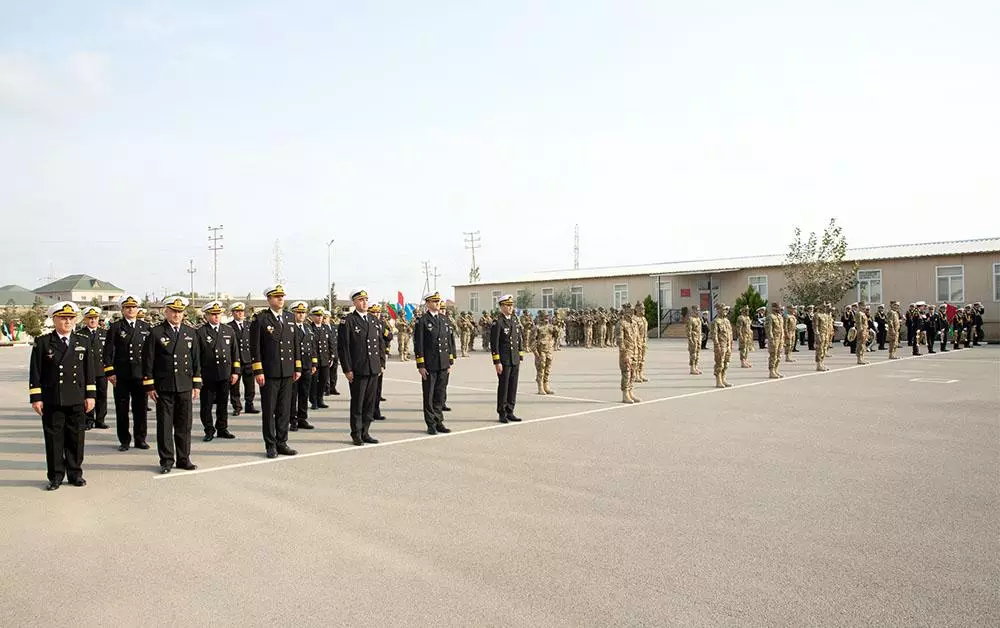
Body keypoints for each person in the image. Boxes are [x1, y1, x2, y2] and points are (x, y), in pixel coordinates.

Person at [29, 302, 96, 490]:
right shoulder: (43, 342)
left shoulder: (83, 341)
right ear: (54, 319)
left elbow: (89, 371)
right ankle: (56, 476)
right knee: (54, 439)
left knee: (76, 438)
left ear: (75, 320)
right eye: (63, 318)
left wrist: (90, 395)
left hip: (77, 397)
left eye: (70, 318)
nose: (67, 321)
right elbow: (35, 372)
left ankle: (75, 473)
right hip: (53, 398)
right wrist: (36, 398)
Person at [143, 296, 202, 474]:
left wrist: (196, 384)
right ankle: (166, 460)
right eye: (173, 311)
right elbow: (148, 361)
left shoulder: (190, 332)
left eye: (180, 311)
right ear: (166, 312)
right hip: (164, 386)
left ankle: (184, 458)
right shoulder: (156, 333)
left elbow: (196, 361)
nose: (177, 314)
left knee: (184, 425)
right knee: (165, 425)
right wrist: (149, 386)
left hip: (184, 385)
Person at [250, 284, 302, 458]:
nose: (280, 299)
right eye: (276, 296)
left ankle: (282, 442)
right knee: (270, 410)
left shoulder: (289, 317)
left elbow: (295, 345)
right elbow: (255, 348)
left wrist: (297, 367)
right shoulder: (261, 319)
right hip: (270, 373)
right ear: (269, 299)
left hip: (287, 372)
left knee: (284, 410)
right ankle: (270, 445)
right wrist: (258, 371)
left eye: (282, 296)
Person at [103, 294, 151, 452]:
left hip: (140, 375)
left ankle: (140, 439)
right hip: (121, 375)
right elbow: (108, 352)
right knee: (122, 409)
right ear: (122, 310)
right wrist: (110, 372)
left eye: (134, 307)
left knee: (141, 409)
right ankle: (124, 440)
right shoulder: (116, 327)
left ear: (138, 309)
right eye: (127, 307)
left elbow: (150, 353)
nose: (131, 310)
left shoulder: (145, 327)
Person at [338, 290, 385, 445]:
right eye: (361, 300)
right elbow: (343, 347)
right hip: (358, 369)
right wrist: (347, 369)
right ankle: (356, 433)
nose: (364, 302)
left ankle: (366, 431)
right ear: (354, 303)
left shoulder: (373, 320)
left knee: (370, 403)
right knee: (358, 403)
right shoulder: (348, 321)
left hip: (373, 368)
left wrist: (381, 364)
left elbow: (380, 343)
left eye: (366, 299)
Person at [196, 300, 239, 442]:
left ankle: (222, 428)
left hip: (225, 373)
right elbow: (196, 356)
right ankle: (209, 430)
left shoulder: (228, 330)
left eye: (218, 314)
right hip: (208, 375)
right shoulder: (201, 332)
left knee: (223, 403)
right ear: (207, 316)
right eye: (213, 314)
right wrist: (197, 376)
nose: (216, 317)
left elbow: (234, 353)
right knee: (206, 405)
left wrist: (235, 372)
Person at [413, 291, 455, 433]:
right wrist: (421, 364)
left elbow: (448, 342)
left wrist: (449, 361)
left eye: (438, 301)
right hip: (430, 365)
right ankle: (431, 423)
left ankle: (439, 421)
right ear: (428, 303)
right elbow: (419, 344)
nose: (437, 303)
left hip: (443, 364)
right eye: (434, 301)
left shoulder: (444, 319)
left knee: (439, 394)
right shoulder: (422, 321)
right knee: (429, 395)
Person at [490, 294, 524, 423]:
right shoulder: (498, 322)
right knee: (504, 386)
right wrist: (497, 362)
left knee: (513, 386)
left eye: (511, 305)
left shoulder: (514, 320)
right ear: (502, 306)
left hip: (514, 358)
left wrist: (520, 354)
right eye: (508, 305)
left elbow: (518, 338)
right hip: (504, 360)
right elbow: (495, 344)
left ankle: (510, 410)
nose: (511, 307)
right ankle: (502, 412)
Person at [288, 300, 317, 432]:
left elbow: (313, 346)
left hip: (307, 365)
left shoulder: (308, 327)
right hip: (294, 366)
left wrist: (314, 363)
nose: (301, 315)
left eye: (303, 313)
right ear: (293, 313)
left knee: (304, 393)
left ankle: (302, 418)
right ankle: (292, 420)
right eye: (298, 312)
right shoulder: (289, 328)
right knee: (293, 394)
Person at [80, 306, 110, 430]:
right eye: (90, 318)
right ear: (85, 320)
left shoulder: (105, 334)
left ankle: (100, 420)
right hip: (86, 372)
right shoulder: (80, 334)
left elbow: (109, 353)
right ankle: (88, 420)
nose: (93, 320)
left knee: (102, 396)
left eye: (95, 318)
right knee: (88, 396)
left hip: (101, 371)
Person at [228, 302, 258, 416]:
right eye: (237, 311)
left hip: (248, 360)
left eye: (241, 311)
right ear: (233, 313)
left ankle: (249, 405)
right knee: (234, 386)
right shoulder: (229, 327)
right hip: (235, 361)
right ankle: (237, 407)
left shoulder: (249, 325)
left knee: (250, 385)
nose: (240, 313)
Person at [369, 303, 392, 421]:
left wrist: (384, 330)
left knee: (378, 389)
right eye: (373, 312)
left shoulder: (381, 324)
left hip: (379, 360)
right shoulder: (367, 324)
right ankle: (368, 413)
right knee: (370, 390)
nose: (376, 314)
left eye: (378, 312)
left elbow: (390, 337)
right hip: (369, 362)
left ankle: (376, 411)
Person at [309, 306, 334, 410]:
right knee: (314, 382)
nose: (319, 318)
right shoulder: (310, 328)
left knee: (323, 381)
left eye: (321, 315)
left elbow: (331, 343)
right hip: (314, 360)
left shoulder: (325, 328)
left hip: (324, 360)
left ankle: (320, 400)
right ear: (312, 316)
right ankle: (313, 401)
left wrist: (331, 356)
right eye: (317, 315)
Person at [533, 310, 558, 394]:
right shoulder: (537, 328)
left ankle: (546, 385)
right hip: (541, 352)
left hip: (549, 350)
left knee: (547, 369)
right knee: (541, 369)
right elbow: (532, 342)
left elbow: (555, 337)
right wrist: (536, 353)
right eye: (545, 316)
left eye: (547, 316)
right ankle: (540, 387)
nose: (546, 318)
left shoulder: (551, 327)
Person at [619, 307, 640, 403]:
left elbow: (637, 338)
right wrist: (624, 354)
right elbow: (620, 340)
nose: (632, 312)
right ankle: (625, 394)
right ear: (625, 311)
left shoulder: (634, 323)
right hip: (627, 352)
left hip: (635, 351)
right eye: (629, 310)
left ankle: (631, 392)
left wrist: (639, 350)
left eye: (632, 310)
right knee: (626, 373)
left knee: (633, 373)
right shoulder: (621, 323)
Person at [711, 303, 733, 388]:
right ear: (718, 310)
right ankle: (718, 380)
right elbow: (714, 335)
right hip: (721, 345)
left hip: (727, 345)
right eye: (723, 309)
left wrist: (730, 344)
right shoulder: (716, 321)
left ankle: (723, 378)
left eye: (725, 309)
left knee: (726, 363)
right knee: (719, 363)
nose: (725, 311)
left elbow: (730, 333)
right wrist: (717, 346)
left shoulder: (727, 321)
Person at [766, 302, 784, 379]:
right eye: (778, 308)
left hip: (780, 338)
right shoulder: (770, 317)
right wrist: (771, 339)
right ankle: (771, 371)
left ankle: (776, 370)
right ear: (774, 308)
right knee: (773, 355)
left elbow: (782, 328)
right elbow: (769, 329)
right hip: (774, 339)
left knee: (779, 355)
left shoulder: (780, 316)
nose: (780, 309)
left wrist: (783, 337)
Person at [633, 302, 649, 382]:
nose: (643, 310)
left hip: (643, 341)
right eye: (641, 308)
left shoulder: (644, 319)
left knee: (642, 359)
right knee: (637, 359)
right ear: (636, 309)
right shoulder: (634, 319)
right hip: (637, 342)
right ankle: (635, 375)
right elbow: (634, 333)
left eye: (644, 308)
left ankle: (640, 374)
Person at [685, 305, 702, 375]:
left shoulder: (698, 319)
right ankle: (692, 368)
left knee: (697, 353)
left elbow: (700, 329)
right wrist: (690, 339)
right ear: (694, 310)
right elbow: (688, 330)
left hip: (698, 338)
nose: (698, 311)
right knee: (693, 354)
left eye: (699, 310)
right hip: (693, 337)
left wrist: (700, 337)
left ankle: (696, 367)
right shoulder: (690, 319)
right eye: (697, 310)